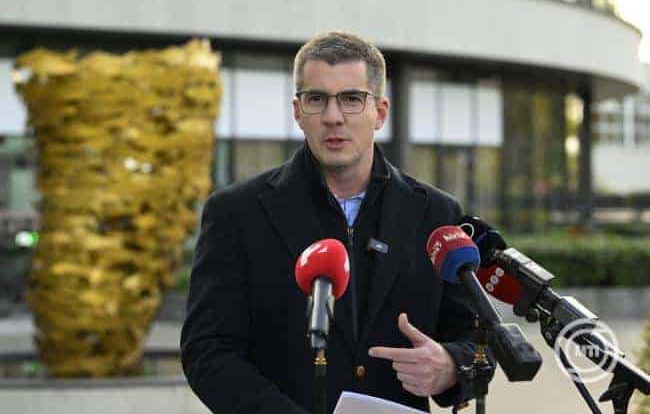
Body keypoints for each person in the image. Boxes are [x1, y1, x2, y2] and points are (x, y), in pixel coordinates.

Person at [181, 31, 487, 414]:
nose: (332, 117)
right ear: (298, 112)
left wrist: (451, 365)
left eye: (351, 99)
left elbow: (477, 337)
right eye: (316, 99)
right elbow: (207, 351)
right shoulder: (235, 213)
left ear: (380, 112)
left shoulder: (436, 215)